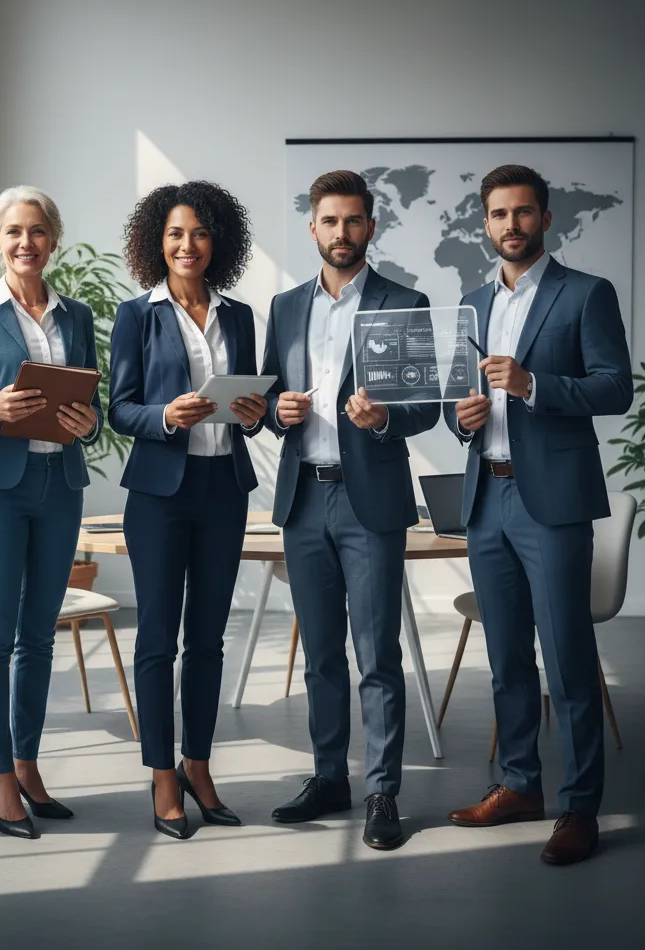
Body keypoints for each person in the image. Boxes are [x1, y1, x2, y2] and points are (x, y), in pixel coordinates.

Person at [443, 164, 632, 866]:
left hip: (552, 503)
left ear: (546, 219)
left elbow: (616, 388)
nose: (511, 225)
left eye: (523, 212)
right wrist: (461, 418)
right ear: (485, 224)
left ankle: (580, 808)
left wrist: (532, 385)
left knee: (568, 657)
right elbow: (457, 400)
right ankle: (520, 785)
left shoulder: (586, 293)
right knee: (506, 658)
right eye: (499, 214)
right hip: (486, 497)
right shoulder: (471, 303)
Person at [261, 170, 439, 851]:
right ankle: (329, 777)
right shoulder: (285, 307)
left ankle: (383, 792)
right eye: (330, 221)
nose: (341, 232)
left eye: (353, 220)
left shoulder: (405, 303)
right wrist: (275, 411)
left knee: (376, 654)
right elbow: (267, 397)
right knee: (319, 656)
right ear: (313, 227)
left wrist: (385, 417)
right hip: (304, 497)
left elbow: (425, 408)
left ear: (371, 226)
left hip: (370, 504)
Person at [109, 181, 267, 839]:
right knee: (157, 638)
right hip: (158, 495)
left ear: (217, 242)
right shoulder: (136, 316)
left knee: (207, 638)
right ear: (157, 241)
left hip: (224, 489)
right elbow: (120, 409)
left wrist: (253, 414)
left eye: (200, 233)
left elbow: (253, 411)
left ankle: (197, 766)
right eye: (175, 233)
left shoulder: (240, 316)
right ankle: (162, 776)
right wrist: (165, 416)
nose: (187, 245)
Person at [0, 186, 101, 839]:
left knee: (39, 635)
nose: (25, 242)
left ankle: (28, 764)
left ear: (53, 239)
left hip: (60, 484)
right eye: (14, 231)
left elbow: (92, 406)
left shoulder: (77, 316)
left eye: (36, 231)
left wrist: (88, 424)